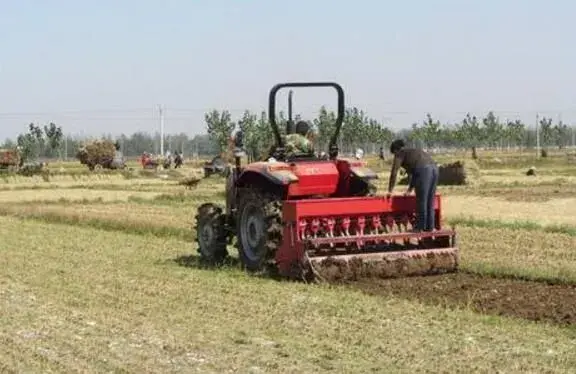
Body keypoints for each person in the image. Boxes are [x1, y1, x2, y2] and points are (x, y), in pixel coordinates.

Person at [387, 139, 438, 232]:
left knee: (421, 200)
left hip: (424, 171)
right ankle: (430, 227)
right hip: (434, 169)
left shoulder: (400, 153)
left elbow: (394, 173)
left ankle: (419, 227)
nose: (394, 156)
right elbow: (413, 175)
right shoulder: (413, 152)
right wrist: (409, 190)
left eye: (394, 154)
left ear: (395, 150)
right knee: (430, 200)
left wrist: (390, 191)